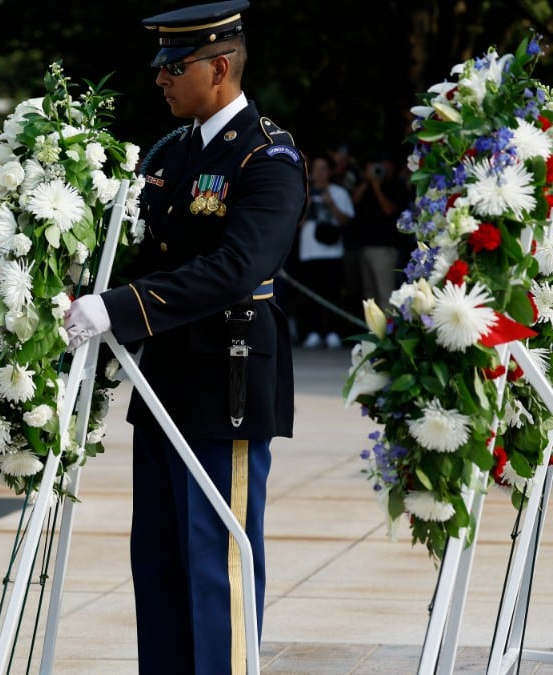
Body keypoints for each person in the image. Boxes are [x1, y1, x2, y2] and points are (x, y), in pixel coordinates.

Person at [62, 2, 308, 672]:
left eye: (175, 65)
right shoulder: (174, 151)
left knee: (213, 560)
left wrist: (119, 305)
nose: (160, 77)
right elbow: (146, 249)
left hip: (223, 380)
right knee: (160, 559)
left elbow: (237, 267)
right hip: (165, 376)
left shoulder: (267, 155)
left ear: (220, 66)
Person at [295, 153, 354, 350]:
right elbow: (296, 224)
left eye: (323, 168)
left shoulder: (339, 192)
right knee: (310, 294)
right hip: (309, 252)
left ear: (329, 171)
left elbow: (346, 221)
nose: (319, 173)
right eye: (316, 169)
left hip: (332, 252)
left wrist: (331, 203)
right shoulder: (303, 191)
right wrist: (307, 206)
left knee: (333, 294)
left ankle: (333, 332)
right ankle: (312, 332)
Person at [344, 149, 410, 310]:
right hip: (364, 246)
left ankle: (388, 333)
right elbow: (352, 203)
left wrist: (376, 186)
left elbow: (389, 210)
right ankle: (374, 332)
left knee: (385, 293)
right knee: (369, 296)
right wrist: (367, 182)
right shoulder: (365, 185)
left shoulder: (396, 185)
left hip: (385, 248)